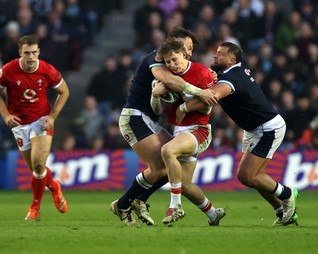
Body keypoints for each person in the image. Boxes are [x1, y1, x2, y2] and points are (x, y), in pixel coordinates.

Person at [176, 42, 299, 226]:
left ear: (232, 59)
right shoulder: (233, 72)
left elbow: (212, 96)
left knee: (247, 176)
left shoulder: (232, 78)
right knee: (256, 177)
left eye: (220, 54)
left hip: (268, 128)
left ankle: (288, 194)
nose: (215, 56)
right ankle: (282, 212)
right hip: (254, 128)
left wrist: (184, 107)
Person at [109, 27, 218, 226]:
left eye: (190, 49)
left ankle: (138, 199)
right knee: (161, 166)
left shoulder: (181, 68)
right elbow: (168, 82)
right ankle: (124, 204)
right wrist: (199, 92)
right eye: (185, 46)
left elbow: (168, 97)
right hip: (135, 116)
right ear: (173, 44)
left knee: (170, 164)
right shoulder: (157, 58)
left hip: (150, 119)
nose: (188, 52)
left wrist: (209, 78)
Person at [150, 39, 225, 226]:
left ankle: (175, 207)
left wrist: (184, 106)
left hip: (198, 130)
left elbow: (208, 106)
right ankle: (213, 214)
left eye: (174, 60)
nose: (172, 65)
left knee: (168, 151)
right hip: (179, 130)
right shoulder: (166, 77)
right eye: (167, 62)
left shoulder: (202, 73)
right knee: (185, 185)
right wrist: (155, 95)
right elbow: (157, 110)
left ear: (184, 54)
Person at [0, 35, 70, 220]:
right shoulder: (7, 71)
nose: (31, 57)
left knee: (39, 164)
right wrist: (6, 115)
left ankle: (34, 208)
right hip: (19, 124)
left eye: (34, 53)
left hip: (41, 121)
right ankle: (54, 185)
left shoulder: (47, 70)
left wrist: (53, 117)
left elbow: (64, 92)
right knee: (37, 171)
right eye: (26, 53)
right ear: (20, 53)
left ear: (38, 52)